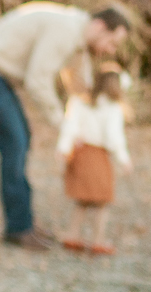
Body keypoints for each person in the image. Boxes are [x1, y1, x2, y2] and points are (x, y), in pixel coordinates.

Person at [0, 3, 131, 250]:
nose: (110, 50)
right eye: (112, 42)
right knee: (15, 144)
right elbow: (37, 80)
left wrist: (101, 111)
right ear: (99, 26)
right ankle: (18, 229)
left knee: (21, 140)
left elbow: (81, 84)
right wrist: (64, 125)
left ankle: (23, 223)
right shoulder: (67, 30)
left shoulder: (77, 38)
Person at [57, 64, 133, 255]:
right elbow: (113, 136)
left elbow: (70, 126)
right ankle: (98, 240)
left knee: (82, 200)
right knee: (101, 202)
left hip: (80, 155)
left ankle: (72, 235)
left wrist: (63, 149)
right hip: (98, 156)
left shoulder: (81, 101)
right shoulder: (112, 108)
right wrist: (123, 158)